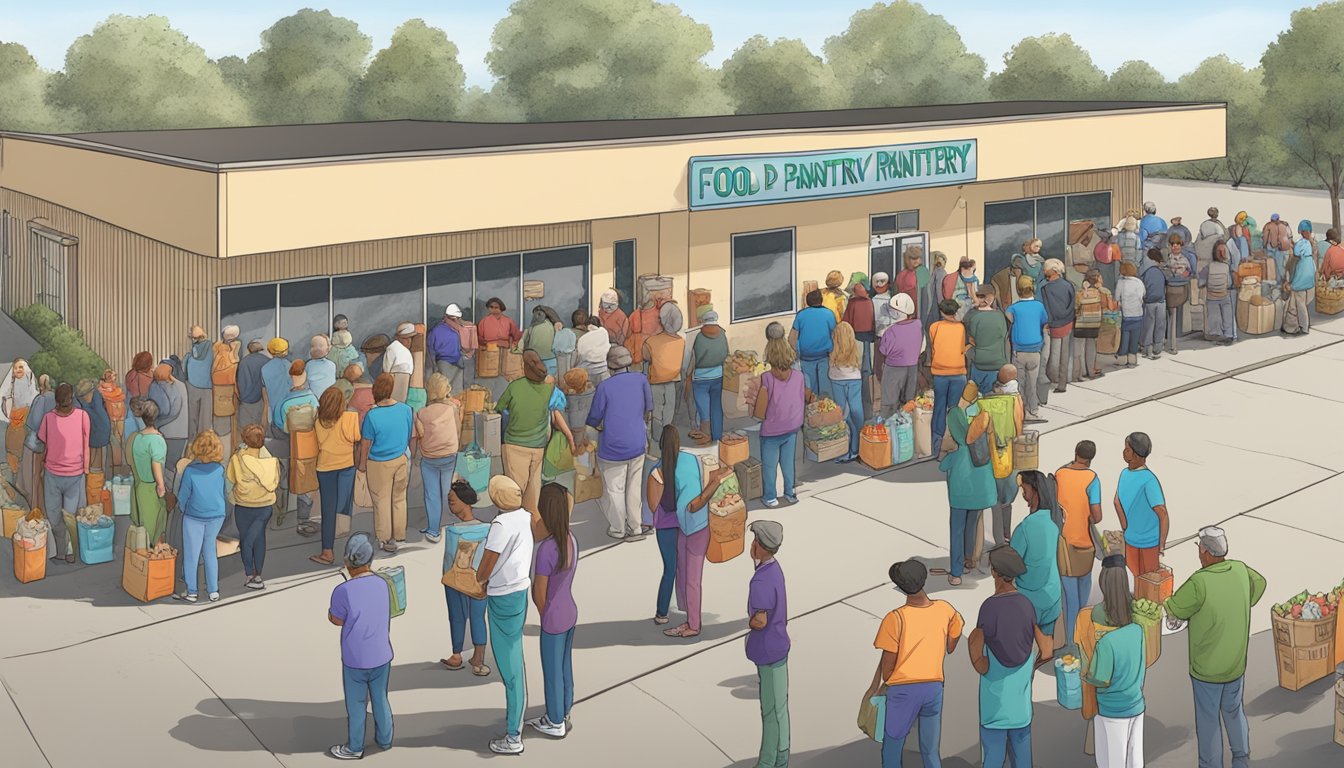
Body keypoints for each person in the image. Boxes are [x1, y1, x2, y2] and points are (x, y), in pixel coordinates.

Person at [1165, 526, 1264, 768]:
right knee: (1233, 710)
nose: (1199, 553)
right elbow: (1260, 583)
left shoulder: (1200, 582)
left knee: (1209, 720)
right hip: (1235, 663)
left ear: (1208, 552)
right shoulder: (1240, 570)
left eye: (1200, 549)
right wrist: (1241, 602)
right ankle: (1241, 757)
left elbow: (1175, 607)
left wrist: (1166, 601)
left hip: (1206, 669)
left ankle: (1211, 765)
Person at [865, 558, 964, 768]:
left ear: (901, 587)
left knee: (893, 746)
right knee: (930, 750)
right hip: (934, 688)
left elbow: (887, 670)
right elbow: (952, 644)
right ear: (924, 580)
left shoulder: (894, 619)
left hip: (903, 691)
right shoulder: (945, 609)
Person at [970, 545, 1051, 768]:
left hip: (994, 705)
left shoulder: (989, 608)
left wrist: (980, 661)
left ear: (994, 572)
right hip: (1020, 707)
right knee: (1022, 759)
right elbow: (1045, 650)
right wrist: (1031, 668)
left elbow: (978, 650)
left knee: (993, 758)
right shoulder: (1027, 605)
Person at [476, 475, 534, 755]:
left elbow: (488, 562)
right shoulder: (525, 516)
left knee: (509, 667)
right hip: (520, 590)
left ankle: (513, 735)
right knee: (515, 657)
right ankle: (515, 724)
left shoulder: (500, 524)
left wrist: (479, 580)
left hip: (501, 596)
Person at [663, 427, 736, 639]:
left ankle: (693, 624)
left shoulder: (668, 467)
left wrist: (713, 485)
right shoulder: (689, 459)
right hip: (693, 525)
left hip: (694, 526)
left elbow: (694, 504)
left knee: (691, 577)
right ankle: (688, 612)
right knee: (686, 572)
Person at [327, 532, 395, 761]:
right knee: (380, 698)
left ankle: (355, 747)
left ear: (347, 562)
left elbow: (336, 619)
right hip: (382, 654)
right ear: (370, 560)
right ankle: (385, 739)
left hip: (355, 658)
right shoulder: (382, 583)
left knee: (356, 704)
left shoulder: (343, 591)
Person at [1083, 555, 1147, 768]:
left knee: (1112, 762)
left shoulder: (1106, 643)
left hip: (1112, 709)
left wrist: (1085, 674)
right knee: (1134, 758)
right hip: (1136, 703)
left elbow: (1100, 679)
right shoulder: (1137, 631)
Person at [528, 483, 580, 739]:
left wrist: (543, 613)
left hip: (553, 617)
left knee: (551, 672)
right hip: (570, 610)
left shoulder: (546, 550)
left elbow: (540, 594)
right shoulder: (571, 539)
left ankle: (555, 720)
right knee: (564, 666)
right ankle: (565, 708)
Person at [497, 350, 575, 517]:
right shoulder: (549, 390)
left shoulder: (515, 387)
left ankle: (513, 530)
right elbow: (555, 414)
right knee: (532, 495)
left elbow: (499, 407)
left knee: (514, 493)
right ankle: (532, 528)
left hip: (515, 445)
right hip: (538, 446)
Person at [586, 345, 652, 541]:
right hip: (637, 442)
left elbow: (594, 418)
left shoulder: (604, 387)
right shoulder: (641, 380)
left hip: (613, 447)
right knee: (634, 487)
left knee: (615, 489)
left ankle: (618, 529)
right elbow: (648, 410)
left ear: (609, 366)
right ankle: (636, 527)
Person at [941, 382, 996, 586]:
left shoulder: (956, 414)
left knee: (957, 526)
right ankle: (968, 560)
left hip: (962, 479)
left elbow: (952, 440)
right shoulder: (983, 412)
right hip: (981, 478)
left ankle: (956, 572)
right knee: (972, 523)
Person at [746, 520, 790, 768]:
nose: (752, 545)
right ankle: (782, 757)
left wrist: (751, 622)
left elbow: (760, 620)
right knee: (781, 709)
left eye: (755, 541)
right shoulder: (775, 570)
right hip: (780, 646)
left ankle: (768, 762)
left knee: (770, 712)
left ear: (761, 546)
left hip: (767, 650)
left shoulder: (760, 580)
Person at [440, 480, 491, 676]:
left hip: (454, 580)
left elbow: (448, 560)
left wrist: (445, 577)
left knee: (456, 617)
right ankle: (478, 659)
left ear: (465, 501)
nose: (450, 503)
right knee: (478, 617)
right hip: (479, 580)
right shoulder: (486, 529)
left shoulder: (453, 530)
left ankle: (456, 654)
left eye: (453, 500)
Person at [1056, 440, 1103, 651]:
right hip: (1086, 545)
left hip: (1065, 543)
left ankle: (1070, 641)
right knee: (1083, 595)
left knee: (1069, 598)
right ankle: (1081, 639)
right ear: (1091, 459)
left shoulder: (1059, 474)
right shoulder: (1092, 479)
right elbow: (1097, 516)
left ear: (1075, 453)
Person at [359, 373, 413, 554]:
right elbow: (408, 435)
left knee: (381, 502)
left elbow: (365, 444)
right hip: (401, 459)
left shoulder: (372, 416)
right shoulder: (405, 409)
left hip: (379, 463)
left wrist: (361, 465)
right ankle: (399, 536)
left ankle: (384, 539)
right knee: (399, 499)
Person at [38, 383, 90, 565]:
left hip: (53, 473)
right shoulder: (83, 416)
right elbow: (86, 444)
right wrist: (86, 469)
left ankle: (62, 550)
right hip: (75, 473)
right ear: (72, 397)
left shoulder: (47, 418)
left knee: (54, 515)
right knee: (70, 515)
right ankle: (68, 551)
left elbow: (43, 442)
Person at [1009, 471, 1063, 647]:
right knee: (1046, 645)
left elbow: (1011, 563)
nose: (1023, 494)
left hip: (1030, 600)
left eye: (1025, 490)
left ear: (1035, 491)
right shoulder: (1054, 523)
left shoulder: (1024, 528)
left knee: (1023, 647)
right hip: (1053, 596)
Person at [173, 430, 227, 603]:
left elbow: (183, 496)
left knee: (192, 554)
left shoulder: (190, 471)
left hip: (194, 516)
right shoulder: (219, 469)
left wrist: (183, 508)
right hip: (216, 515)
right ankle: (213, 590)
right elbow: (223, 492)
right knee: (210, 551)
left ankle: (192, 591)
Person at [759, 334, 809, 509]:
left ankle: (770, 497)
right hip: (792, 426)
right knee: (788, 463)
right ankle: (790, 493)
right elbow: (802, 397)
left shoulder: (766, 378)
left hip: (771, 429)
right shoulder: (799, 376)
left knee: (769, 466)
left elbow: (761, 409)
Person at [226, 423, 279, 590]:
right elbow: (275, 482)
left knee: (246, 540)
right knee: (259, 539)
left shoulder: (236, 459)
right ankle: (258, 574)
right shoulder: (271, 461)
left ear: (245, 439)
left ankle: (250, 574)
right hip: (265, 507)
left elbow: (229, 482)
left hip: (243, 506)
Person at [312, 386, 361, 565]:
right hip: (347, 466)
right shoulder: (350, 417)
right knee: (345, 505)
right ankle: (349, 546)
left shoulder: (317, 422)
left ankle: (327, 551)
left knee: (328, 510)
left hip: (325, 468)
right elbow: (356, 438)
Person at [411, 372, 459, 545]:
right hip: (450, 454)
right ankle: (448, 524)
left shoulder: (421, 413)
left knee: (432, 495)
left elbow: (420, 435)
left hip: (430, 457)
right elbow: (458, 430)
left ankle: (434, 529)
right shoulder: (452, 408)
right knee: (447, 490)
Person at [274, 360, 319, 536]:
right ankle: (303, 520)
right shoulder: (312, 398)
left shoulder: (284, 402)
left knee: (285, 477)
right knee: (306, 483)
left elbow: (279, 423)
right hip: (310, 445)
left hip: (291, 443)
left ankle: (281, 513)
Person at [1115, 432, 1167, 579]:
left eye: (1127, 449)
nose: (1124, 452)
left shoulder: (1125, 474)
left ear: (1137, 454)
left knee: (1136, 580)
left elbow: (1117, 502)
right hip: (1148, 542)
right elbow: (1162, 513)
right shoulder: (1149, 479)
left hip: (1134, 540)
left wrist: (1126, 528)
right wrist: (1161, 545)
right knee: (1148, 583)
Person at [647, 425, 683, 625]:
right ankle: (686, 604)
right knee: (684, 567)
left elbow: (653, 505)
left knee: (669, 569)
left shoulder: (657, 473)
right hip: (685, 524)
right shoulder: (684, 467)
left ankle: (662, 612)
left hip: (665, 527)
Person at [1003, 277, 1048, 422]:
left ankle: (1020, 410)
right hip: (1035, 350)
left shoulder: (1013, 308)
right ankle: (1033, 410)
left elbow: (1008, 320)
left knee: (1019, 383)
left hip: (1019, 351)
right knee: (1032, 383)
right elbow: (1044, 322)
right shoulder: (1039, 306)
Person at [643, 302, 685, 453]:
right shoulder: (681, 341)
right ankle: (667, 439)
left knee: (656, 410)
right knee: (669, 411)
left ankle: (656, 438)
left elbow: (645, 357)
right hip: (673, 380)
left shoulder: (650, 341)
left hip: (655, 381)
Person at [927, 299, 969, 449]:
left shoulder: (934, 327)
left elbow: (933, 346)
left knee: (939, 406)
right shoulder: (961, 327)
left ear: (942, 311)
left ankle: (936, 443)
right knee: (954, 409)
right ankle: (955, 441)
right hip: (959, 372)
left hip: (940, 372)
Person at [127, 397, 169, 547]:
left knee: (141, 531)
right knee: (155, 530)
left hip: (139, 486)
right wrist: (161, 485)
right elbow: (156, 464)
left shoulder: (137, 437)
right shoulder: (157, 440)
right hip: (151, 488)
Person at [685, 310, 728, 444]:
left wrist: (687, 374)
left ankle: (705, 439)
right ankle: (717, 437)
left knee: (704, 410)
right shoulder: (723, 334)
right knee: (716, 408)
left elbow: (691, 358)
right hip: (719, 375)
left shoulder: (698, 336)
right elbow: (727, 353)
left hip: (700, 379)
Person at [878, 294, 923, 418]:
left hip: (893, 369)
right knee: (909, 401)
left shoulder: (890, 331)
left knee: (889, 402)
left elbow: (884, 350)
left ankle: (888, 429)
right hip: (913, 367)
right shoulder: (918, 325)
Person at [790, 289, 837, 400]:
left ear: (808, 301)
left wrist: (797, 351)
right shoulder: (829, 314)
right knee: (826, 387)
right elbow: (836, 335)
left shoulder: (801, 315)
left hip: (806, 357)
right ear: (821, 300)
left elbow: (792, 338)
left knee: (810, 389)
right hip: (824, 356)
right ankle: (826, 409)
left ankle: (812, 410)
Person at [828, 321, 864, 463]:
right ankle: (859, 444)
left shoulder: (831, 347)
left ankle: (844, 447)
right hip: (854, 379)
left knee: (841, 412)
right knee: (856, 410)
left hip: (836, 379)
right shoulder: (857, 346)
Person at [964, 284, 1010, 395]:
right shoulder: (1000, 315)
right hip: (997, 362)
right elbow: (1004, 335)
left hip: (978, 362)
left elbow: (970, 338)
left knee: (974, 396)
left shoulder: (971, 316)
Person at [1040, 259, 1076, 394]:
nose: (1044, 271)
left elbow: (1048, 309)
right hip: (1067, 323)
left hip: (1054, 325)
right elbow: (1072, 304)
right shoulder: (1068, 285)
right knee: (1065, 355)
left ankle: (1053, 380)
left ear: (1053, 271)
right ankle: (1062, 383)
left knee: (1054, 356)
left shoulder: (1046, 288)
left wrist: (1049, 322)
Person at [1073, 269, 1114, 381]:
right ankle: (1091, 371)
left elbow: (1076, 307)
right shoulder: (1102, 292)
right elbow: (1109, 307)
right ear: (1097, 279)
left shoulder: (1081, 292)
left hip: (1081, 324)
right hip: (1094, 323)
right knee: (1091, 347)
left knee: (1080, 349)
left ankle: (1080, 373)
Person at [842, 274, 877, 400]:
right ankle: (869, 397)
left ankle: (859, 396)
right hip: (871, 338)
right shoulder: (872, 301)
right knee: (869, 369)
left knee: (858, 368)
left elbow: (846, 322)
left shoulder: (852, 303)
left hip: (857, 337)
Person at [150, 362, 189, 476]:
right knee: (173, 467)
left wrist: (156, 424)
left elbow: (170, 411)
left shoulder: (159, 386)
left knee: (163, 465)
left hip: (166, 432)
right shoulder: (181, 385)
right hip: (181, 433)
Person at [1199, 241, 1236, 345]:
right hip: (1224, 295)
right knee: (1227, 315)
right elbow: (1229, 283)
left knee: (1214, 317)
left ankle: (1216, 334)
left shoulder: (1208, 267)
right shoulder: (1226, 267)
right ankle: (1229, 335)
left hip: (1212, 297)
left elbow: (1201, 282)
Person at [1284, 220, 1317, 336]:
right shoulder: (1311, 245)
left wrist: (1290, 284)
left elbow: (1296, 256)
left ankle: (1302, 327)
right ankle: (1291, 326)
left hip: (1300, 281)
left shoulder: (1302, 246)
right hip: (1309, 279)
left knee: (1298, 304)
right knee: (1297, 303)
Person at [182, 325, 214, 439]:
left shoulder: (191, 353)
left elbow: (183, 368)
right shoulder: (212, 348)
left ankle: (192, 444)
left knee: (192, 419)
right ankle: (204, 445)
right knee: (205, 420)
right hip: (207, 386)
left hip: (191, 385)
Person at [1164, 236, 1194, 352]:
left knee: (1177, 318)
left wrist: (1183, 275)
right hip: (1170, 290)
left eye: (1177, 244)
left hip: (1181, 290)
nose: (1175, 246)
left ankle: (1174, 342)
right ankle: (1171, 344)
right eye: (1173, 244)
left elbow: (1189, 273)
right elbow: (1166, 274)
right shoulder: (1168, 259)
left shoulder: (1185, 259)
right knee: (1170, 317)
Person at [427, 305, 465, 394]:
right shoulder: (436, 331)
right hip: (443, 364)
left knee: (457, 392)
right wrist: (434, 366)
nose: (456, 321)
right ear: (446, 317)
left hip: (458, 364)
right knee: (443, 391)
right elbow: (430, 350)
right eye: (453, 319)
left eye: (457, 319)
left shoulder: (458, 331)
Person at [75, 379, 111, 472]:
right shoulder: (93, 400)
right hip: (97, 431)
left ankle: (95, 477)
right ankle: (94, 475)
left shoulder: (92, 404)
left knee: (95, 455)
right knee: (94, 454)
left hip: (99, 430)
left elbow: (98, 419)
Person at [1138, 249, 1168, 359]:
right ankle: (1158, 347)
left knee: (1148, 325)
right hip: (1161, 301)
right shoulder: (1161, 270)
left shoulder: (1144, 269)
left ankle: (1147, 348)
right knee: (1160, 325)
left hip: (1149, 301)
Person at [1114, 262, 1145, 368]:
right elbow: (1142, 295)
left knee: (1125, 336)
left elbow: (1117, 298)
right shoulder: (1139, 282)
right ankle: (1133, 359)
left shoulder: (1120, 282)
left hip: (1126, 313)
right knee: (1135, 337)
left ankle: (1122, 358)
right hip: (1138, 313)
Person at [235, 340, 268, 432]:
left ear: (249, 350)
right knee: (259, 430)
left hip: (246, 400)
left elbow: (240, 381)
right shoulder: (267, 361)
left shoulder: (244, 362)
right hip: (262, 399)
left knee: (245, 430)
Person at [575, 314, 612, 388]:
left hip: (588, 371)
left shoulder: (583, 339)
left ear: (587, 325)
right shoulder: (604, 333)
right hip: (603, 369)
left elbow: (581, 354)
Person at [384, 323, 416, 403]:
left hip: (403, 381)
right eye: (406, 338)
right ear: (398, 337)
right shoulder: (392, 348)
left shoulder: (404, 351)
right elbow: (386, 371)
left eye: (411, 338)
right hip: (394, 381)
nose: (409, 341)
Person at [307, 335, 338, 400]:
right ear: (328, 348)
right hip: (329, 400)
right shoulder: (332, 365)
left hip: (313, 400)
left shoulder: (308, 365)